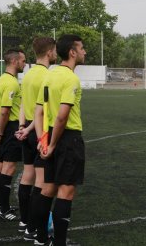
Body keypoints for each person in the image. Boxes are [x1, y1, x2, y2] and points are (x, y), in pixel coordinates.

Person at [34, 34, 86, 245]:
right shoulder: (71, 78)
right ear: (72, 52)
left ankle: (40, 239)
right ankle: (60, 242)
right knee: (66, 191)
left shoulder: (49, 75)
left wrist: (42, 140)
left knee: (47, 189)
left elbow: (39, 112)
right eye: (82, 48)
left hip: (48, 134)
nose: (85, 52)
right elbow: (62, 116)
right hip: (67, 139)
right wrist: (53, 144)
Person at [14, 37, 57, 237]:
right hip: (39, 132)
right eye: (55, 50)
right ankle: (34, 228)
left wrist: (22, 126)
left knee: (27, 176)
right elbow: (40, 111)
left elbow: (23, 105)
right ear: (49, 52)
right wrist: (31, 129)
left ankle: (24, 221)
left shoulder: (28, 75)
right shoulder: (45, 76)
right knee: (41, 183)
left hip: (28, 131)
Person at [0, 49, 26, 221]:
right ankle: (4, 209)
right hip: (10, 127)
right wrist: (1, 132)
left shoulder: (1, 80)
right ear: (14, 61)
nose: (24, 64)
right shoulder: (11, 83)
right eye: (22, 60)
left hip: (4, 128)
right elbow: (5, 111)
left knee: (0, 165)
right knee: (9, 167)